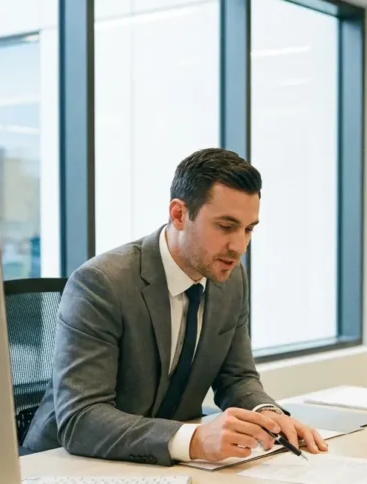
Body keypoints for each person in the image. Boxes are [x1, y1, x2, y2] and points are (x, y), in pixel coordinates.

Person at [23, 148, 327, 465]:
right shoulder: (101, 283)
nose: (238, 247)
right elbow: (81, 418)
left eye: (248, 229)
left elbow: (236, 378)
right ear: (179, 214)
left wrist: (268, 416)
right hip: (66, 466)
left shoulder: (230, 277)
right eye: (225, 226)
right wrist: (194, 440)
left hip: (164, 469)